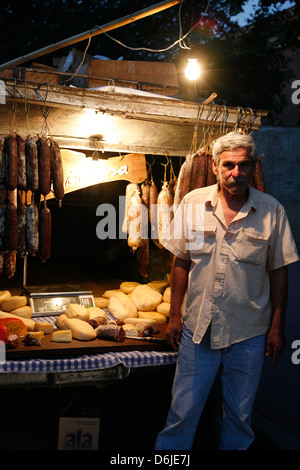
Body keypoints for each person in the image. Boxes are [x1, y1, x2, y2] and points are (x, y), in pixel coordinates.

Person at [155, 132, 299, 450]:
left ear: (253, 167)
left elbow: (279, 272)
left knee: (238, 420)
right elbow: (181, 263)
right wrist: (174, 315)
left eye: (244, 165)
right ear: (216, 166)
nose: (237, 173)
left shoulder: (272, 211)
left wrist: (277, 326)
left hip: (249, 333)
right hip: (197, 330)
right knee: (181, 416)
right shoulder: (193, 203)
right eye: (229, 165)